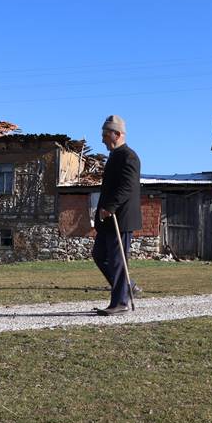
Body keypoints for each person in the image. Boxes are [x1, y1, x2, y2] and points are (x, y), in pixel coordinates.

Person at [92, 114, 141, 315]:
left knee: (117, 260)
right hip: (107, 218)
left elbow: (127, 187)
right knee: (99, 255)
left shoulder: (129, 157)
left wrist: (110, 207)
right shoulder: (114, 157)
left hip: (119, 217)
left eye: (105, 135)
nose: (103, 139)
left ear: (117, 134)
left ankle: (120, 302)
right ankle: (129, 286)